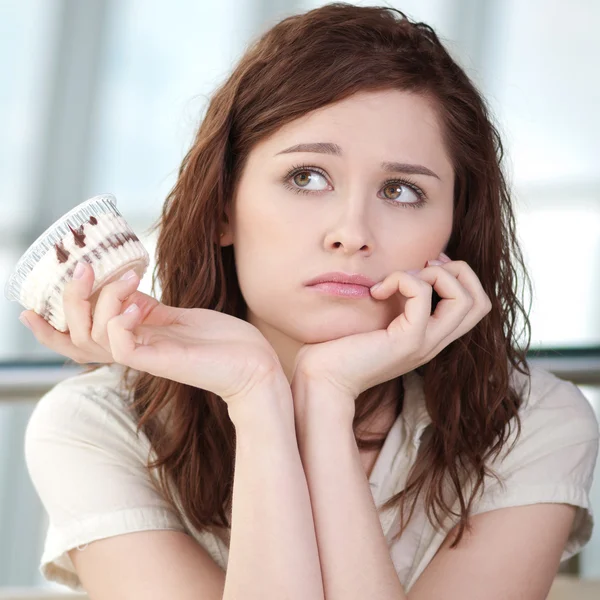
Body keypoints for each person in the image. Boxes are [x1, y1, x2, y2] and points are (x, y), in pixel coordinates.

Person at [21, 3, 599, 599]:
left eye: (401, 190)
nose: (352, 231)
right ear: (224, 207)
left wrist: (326, 400)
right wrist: (256, 394)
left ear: (453, 230)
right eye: (307, 177)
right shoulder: (98, 426)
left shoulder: (532, 424)